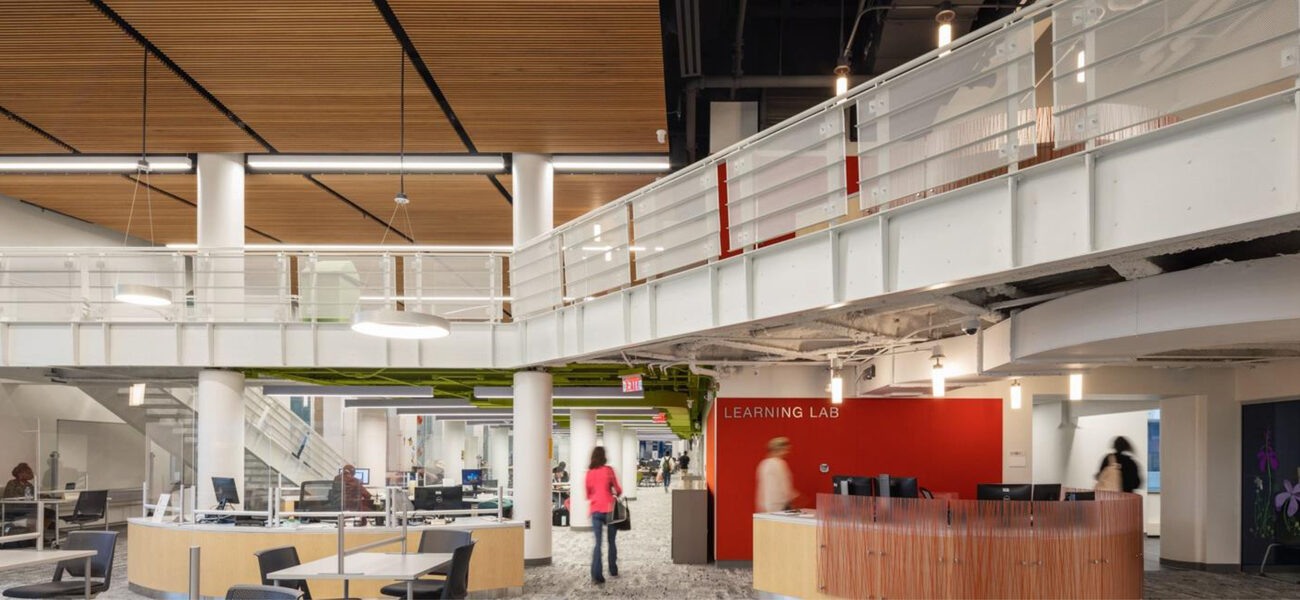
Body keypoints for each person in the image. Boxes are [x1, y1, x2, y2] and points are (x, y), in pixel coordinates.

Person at [585, 446, 622, 584]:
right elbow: (618, 489)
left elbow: (588, 493)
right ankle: (613, 569)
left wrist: (596, 496)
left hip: (595, 510)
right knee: (611, 541)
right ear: (604, 456)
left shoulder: (589, 473)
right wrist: (614, 493)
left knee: (598, 543)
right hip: (610, 509)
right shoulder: (609, 470)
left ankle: (597, 574)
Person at [756, 437, 798, 512]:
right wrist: (795, 497)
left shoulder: (763, 463)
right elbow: (785, 486)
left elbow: (762, 487)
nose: (787, 452)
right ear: (779, 449)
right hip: (780, 505)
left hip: (766, 505)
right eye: (786, 449)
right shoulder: (779, 463)